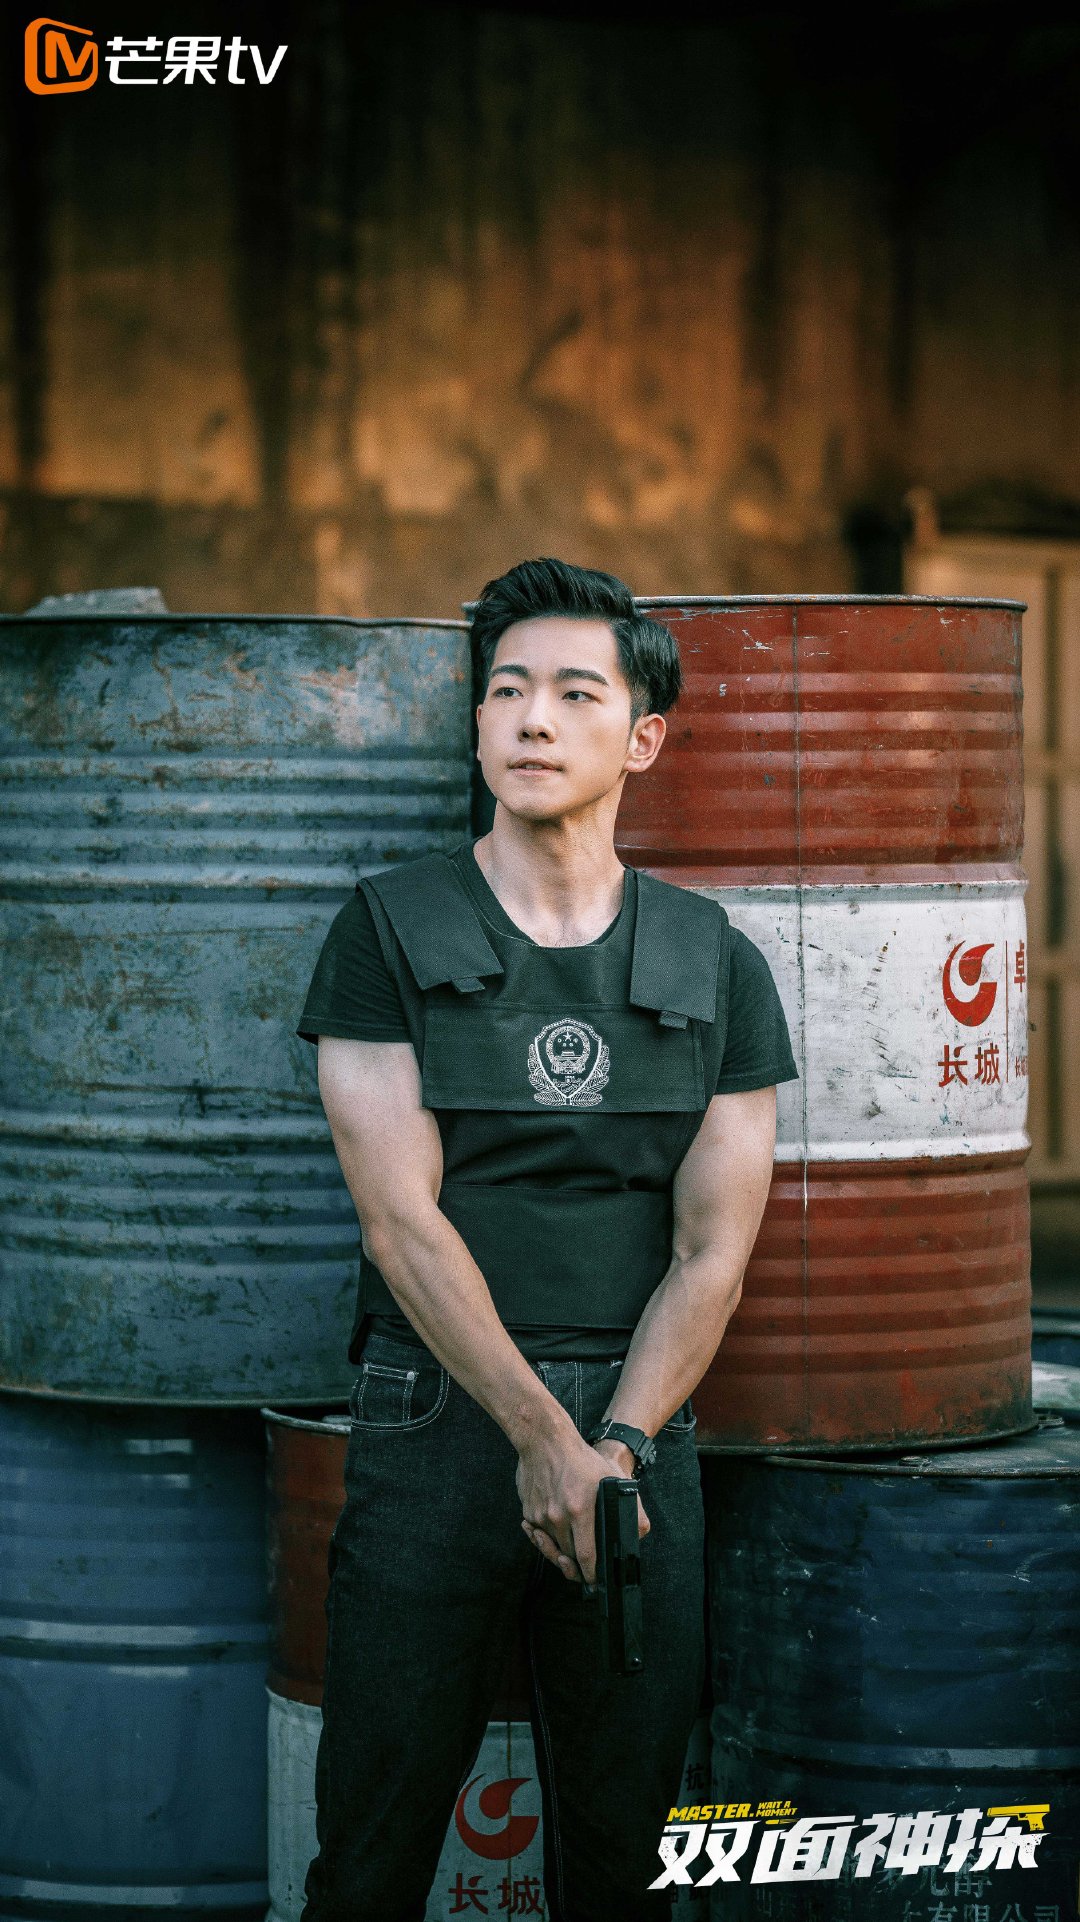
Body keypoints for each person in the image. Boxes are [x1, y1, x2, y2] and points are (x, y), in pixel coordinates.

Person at [295, 557, 798, 1922]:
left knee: (626, 1863)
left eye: (576, 692)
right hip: (436, 1414)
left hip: (642, 1430)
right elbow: (401, 1221)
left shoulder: (716, 961)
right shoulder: (387, 928)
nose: (531, 717)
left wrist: (614, 1445)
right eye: (507, 688)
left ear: (643, 738)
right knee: (372, 1852)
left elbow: (713, 1252)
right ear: (476, 724)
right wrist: (538, 1436)